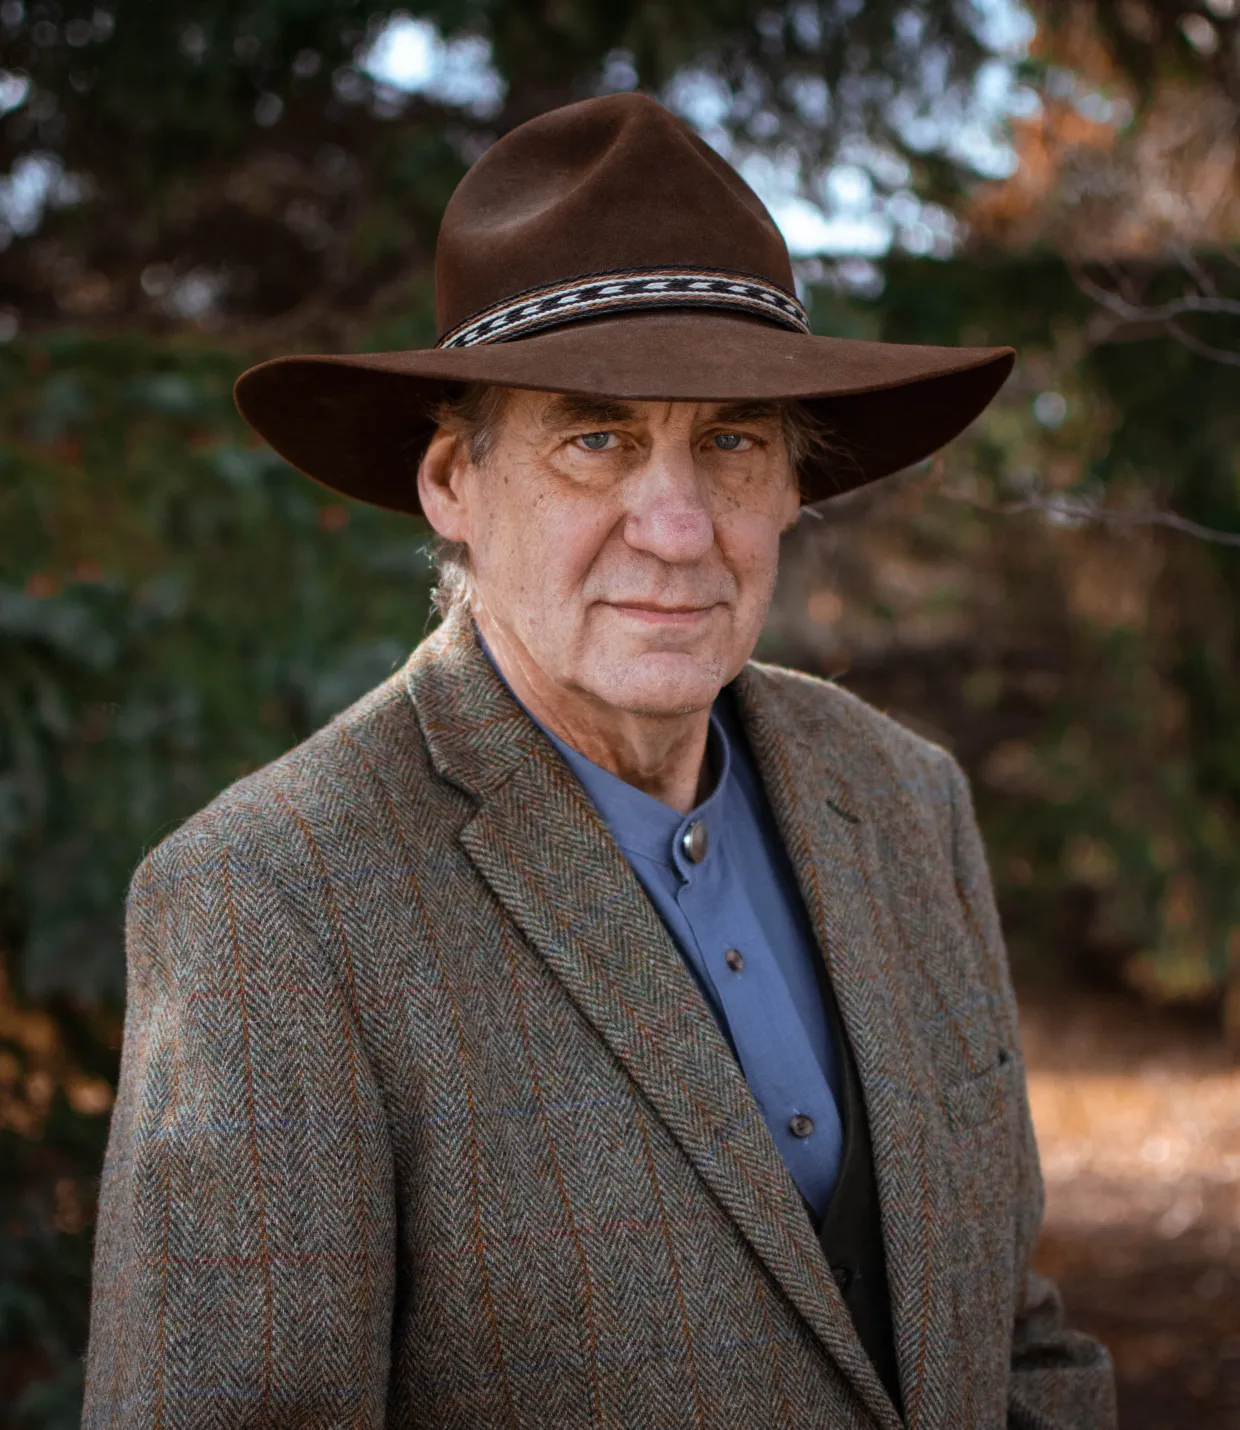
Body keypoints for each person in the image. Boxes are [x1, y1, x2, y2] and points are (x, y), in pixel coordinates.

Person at [84, 93, 1116, 1429]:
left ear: (798, 483)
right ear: (454, 482)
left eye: (731, 440)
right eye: (596, 438)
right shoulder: (268, 905)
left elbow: (1014, 1341)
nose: (679, 527)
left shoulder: (908, 799)